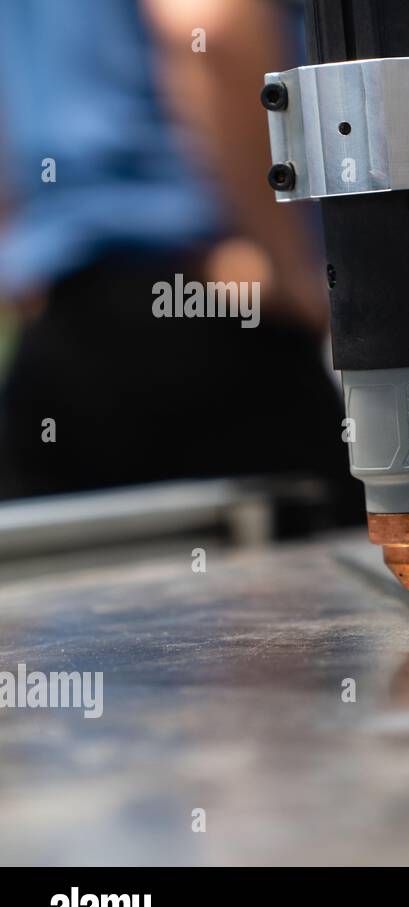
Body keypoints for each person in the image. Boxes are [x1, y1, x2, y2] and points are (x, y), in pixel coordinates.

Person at [0, 0, 356, 520]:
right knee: (339, 578)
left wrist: (26, 253)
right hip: (209, 302)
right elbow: (212, 26)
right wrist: (288, 264)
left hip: (64, 320)